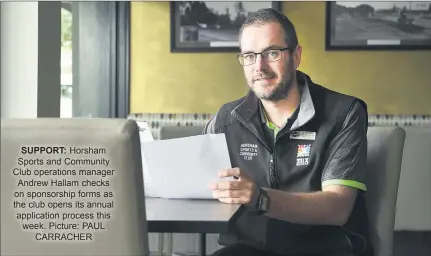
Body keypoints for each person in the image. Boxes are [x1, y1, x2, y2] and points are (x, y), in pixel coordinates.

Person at [204, 8, 374, 256]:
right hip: (248, 249)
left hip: (325, 249)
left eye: (272, 53)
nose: (259, 66)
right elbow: (197, 184)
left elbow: (338, 208)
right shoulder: (225, 119)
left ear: (296, 56)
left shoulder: (344, 113)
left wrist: (261, 199)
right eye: (249, 56)